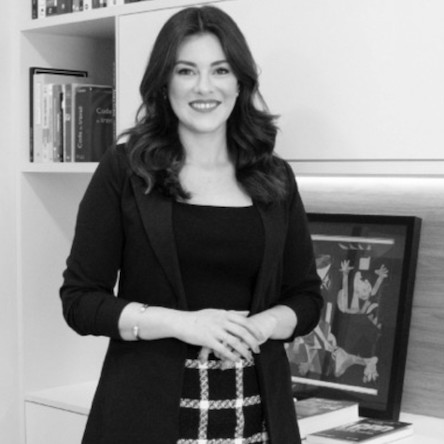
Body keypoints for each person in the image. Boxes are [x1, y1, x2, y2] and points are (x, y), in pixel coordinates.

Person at [60, 5, 323, 444]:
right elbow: (80, 301)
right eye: (186, 71)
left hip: (257, 419)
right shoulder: (125, 170)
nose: (205, 87)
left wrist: (258, 327)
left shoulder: (274, 175)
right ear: (165, 83)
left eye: (220, 70)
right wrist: (183, 324)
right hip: (144, 417)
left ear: (239, 82)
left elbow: (307, 298)